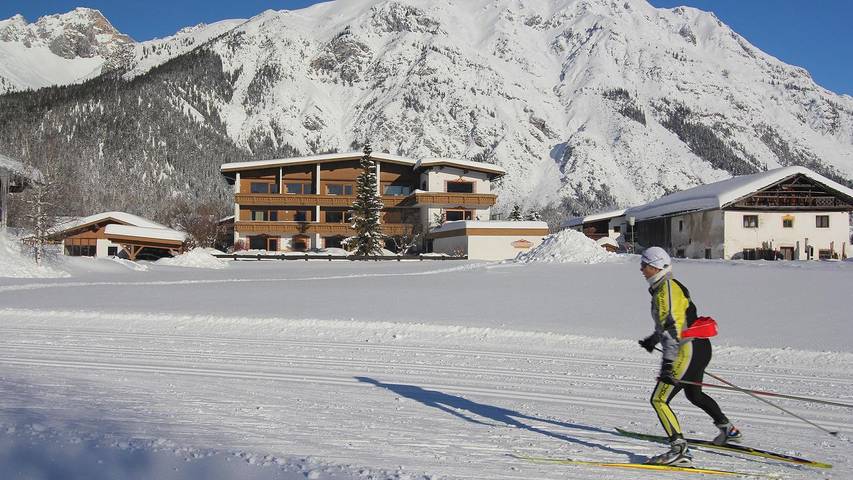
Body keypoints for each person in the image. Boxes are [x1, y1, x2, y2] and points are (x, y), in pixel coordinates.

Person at [638, 246, 741, 466]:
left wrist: (667, 367)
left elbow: (673, 330)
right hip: (699, 347)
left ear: (655, 266)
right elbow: (677, 321)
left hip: (687, 350)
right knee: (694, 394)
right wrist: (654, 339)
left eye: (644, 265)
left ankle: (679, 450)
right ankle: (727, 429)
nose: (641, 269)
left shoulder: (665, 290)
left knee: (659, 399)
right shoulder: (669, 286)